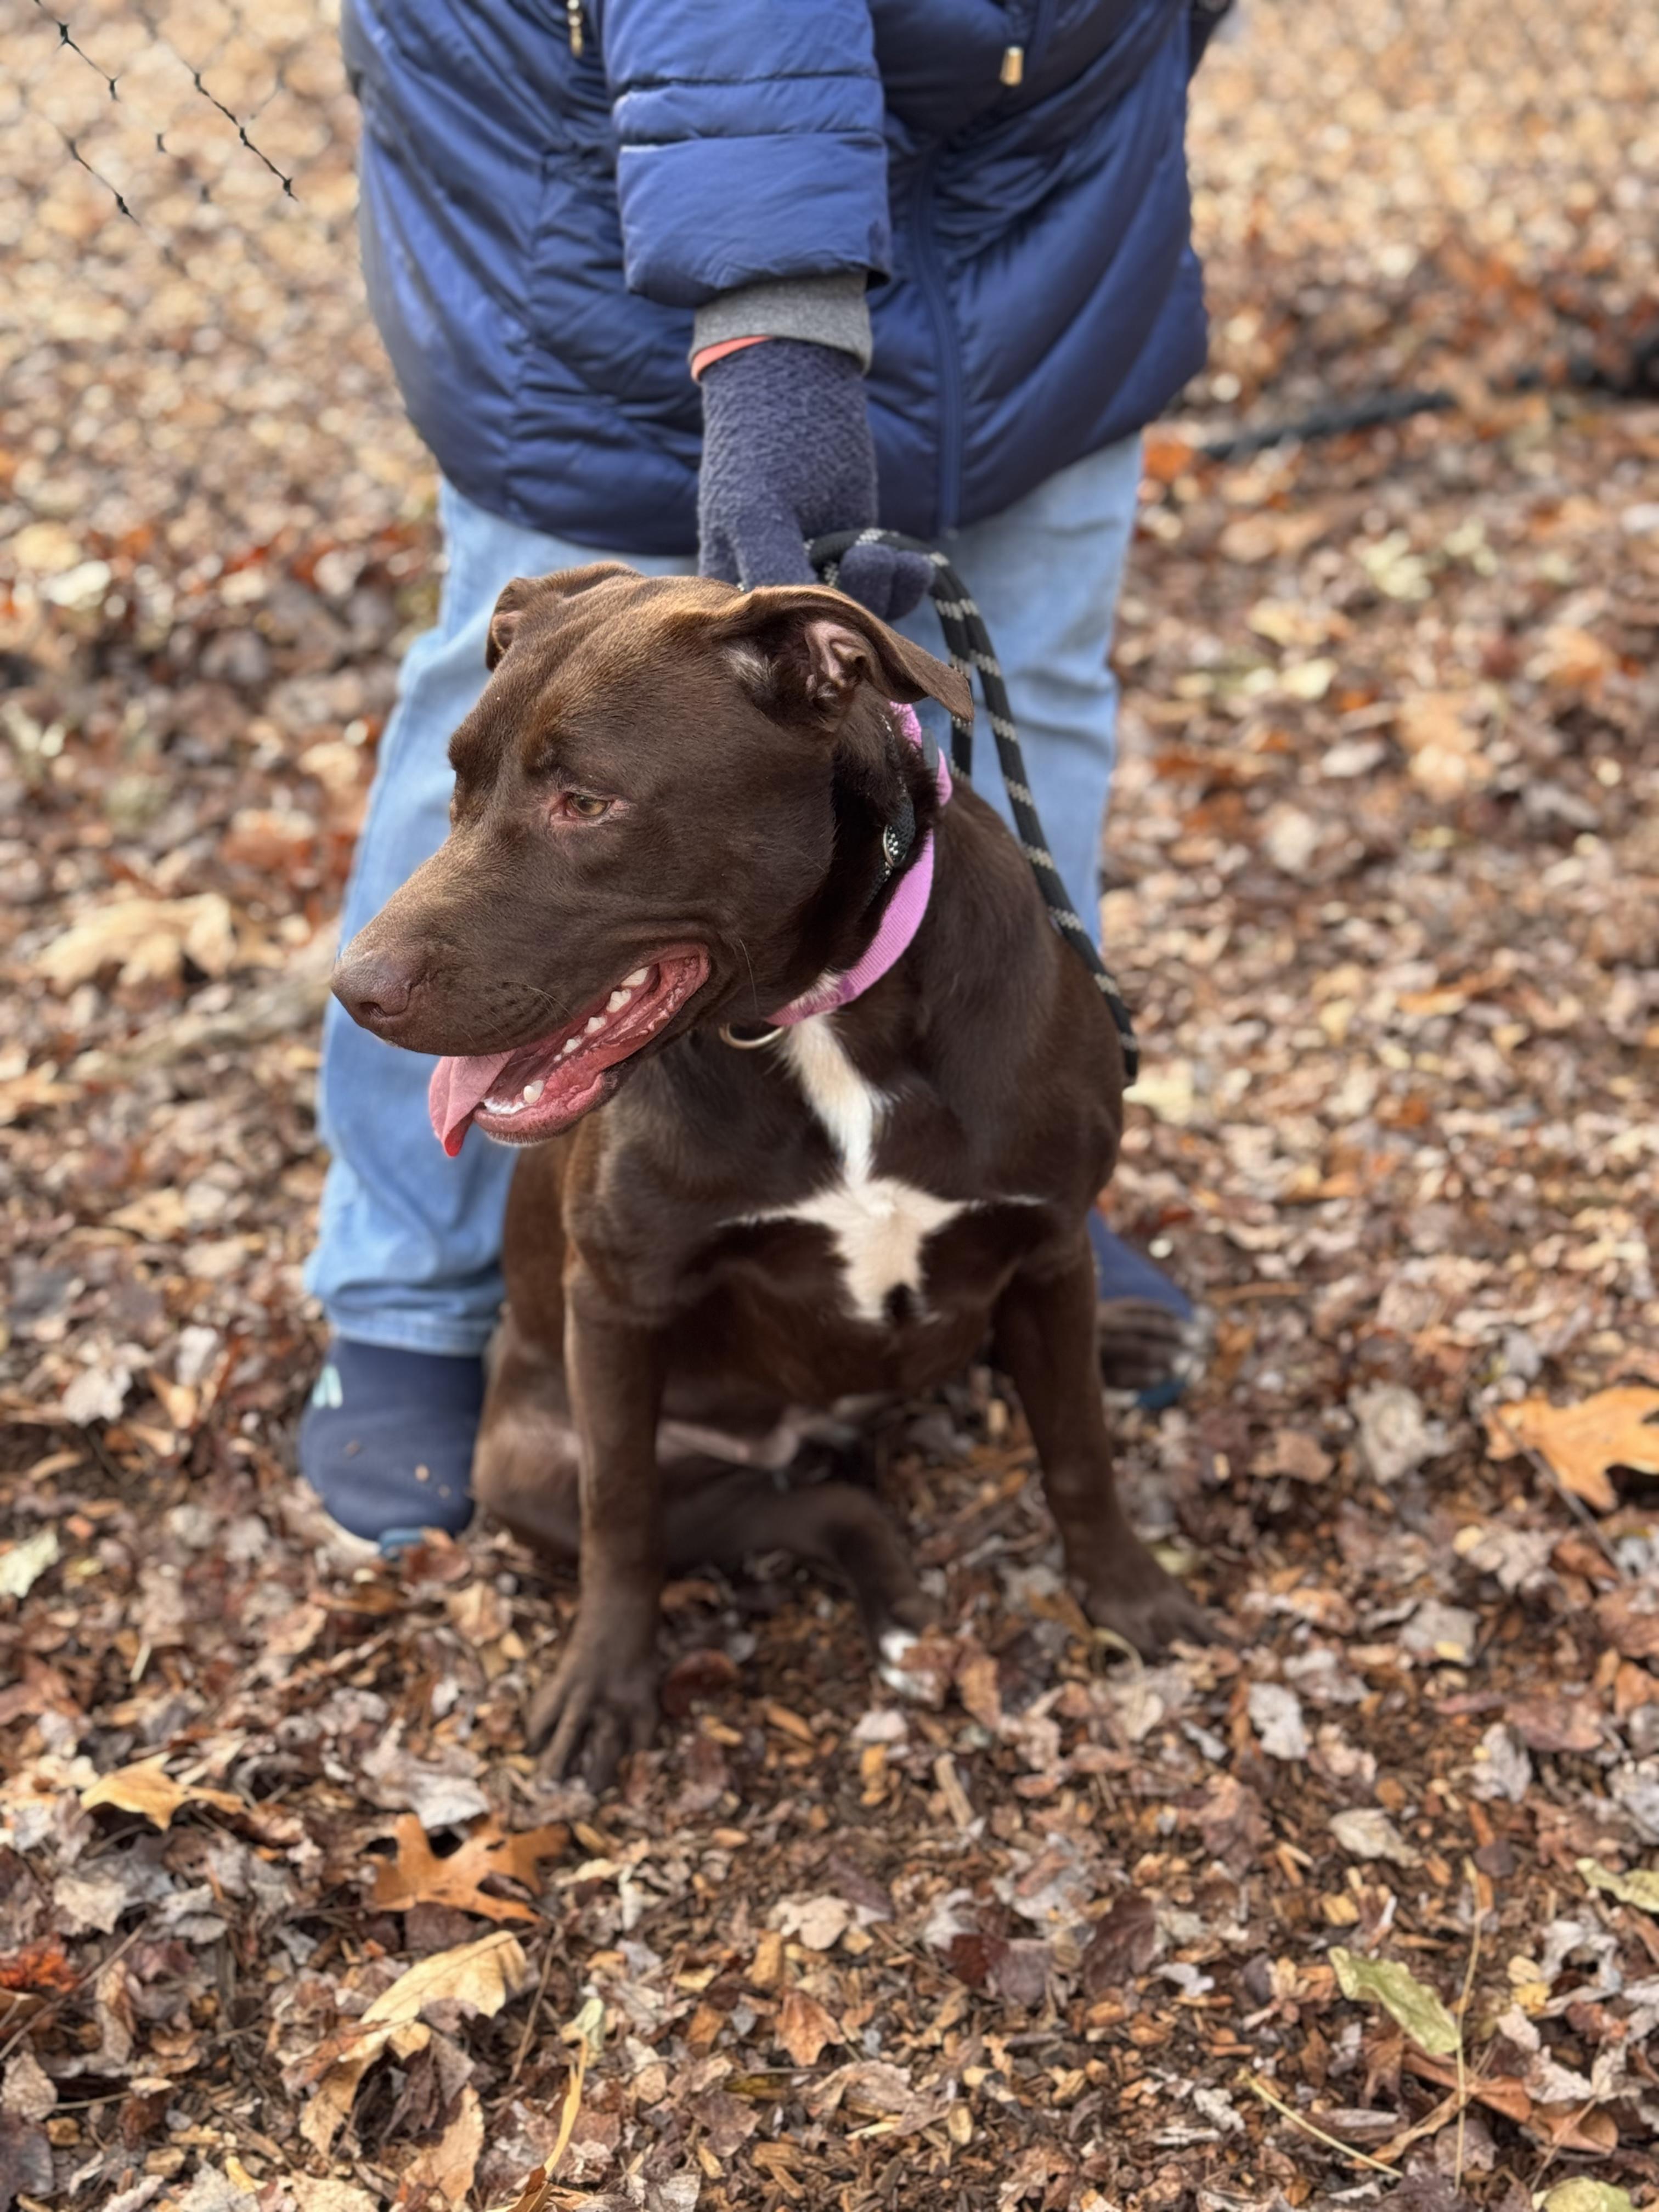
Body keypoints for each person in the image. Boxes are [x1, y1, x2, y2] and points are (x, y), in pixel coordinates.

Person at [301, 0, 1225, 1549]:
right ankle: (407, 1282)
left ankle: (996, 1185)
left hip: (1043, 192)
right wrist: (776, 333)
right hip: (634, 175)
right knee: (537, 728)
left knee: (1038, 696)